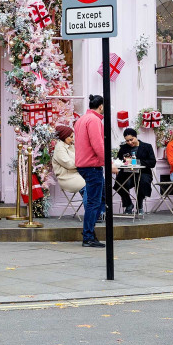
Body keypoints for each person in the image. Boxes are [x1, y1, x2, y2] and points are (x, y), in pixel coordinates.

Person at [74, 95, 106, 248]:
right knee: (94, 202)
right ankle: (88, 236)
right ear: (100, 106)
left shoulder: (82, 119)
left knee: (98, 199)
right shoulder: (94, 120)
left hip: (83, 164)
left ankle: (90, 233)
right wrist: (108, 162)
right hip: (92, 166)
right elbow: (98, 144)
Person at [114, 128, 156, 215]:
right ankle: (128, 204)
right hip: (127, 172)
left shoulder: (147, 146)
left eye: (131, 139)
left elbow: (152, 162)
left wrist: (137, 161)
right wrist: (124, 161)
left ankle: (139, 206)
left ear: (136, 137)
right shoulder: (124, 148)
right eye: (127, 141)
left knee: (142, 182)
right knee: (119, 183)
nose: (129, 142)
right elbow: (119, 159)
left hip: (143, 172)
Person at [51, 125, 86, 206]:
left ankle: (101, 211)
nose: (73, 139)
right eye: (71, 137)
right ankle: (92, 213)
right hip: (67, 178)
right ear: (64, 136)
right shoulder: (60, 148)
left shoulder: (69, 146)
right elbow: (69, 164)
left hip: (76, 175)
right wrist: (83, 161)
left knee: (99, 182)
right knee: (90, 186)